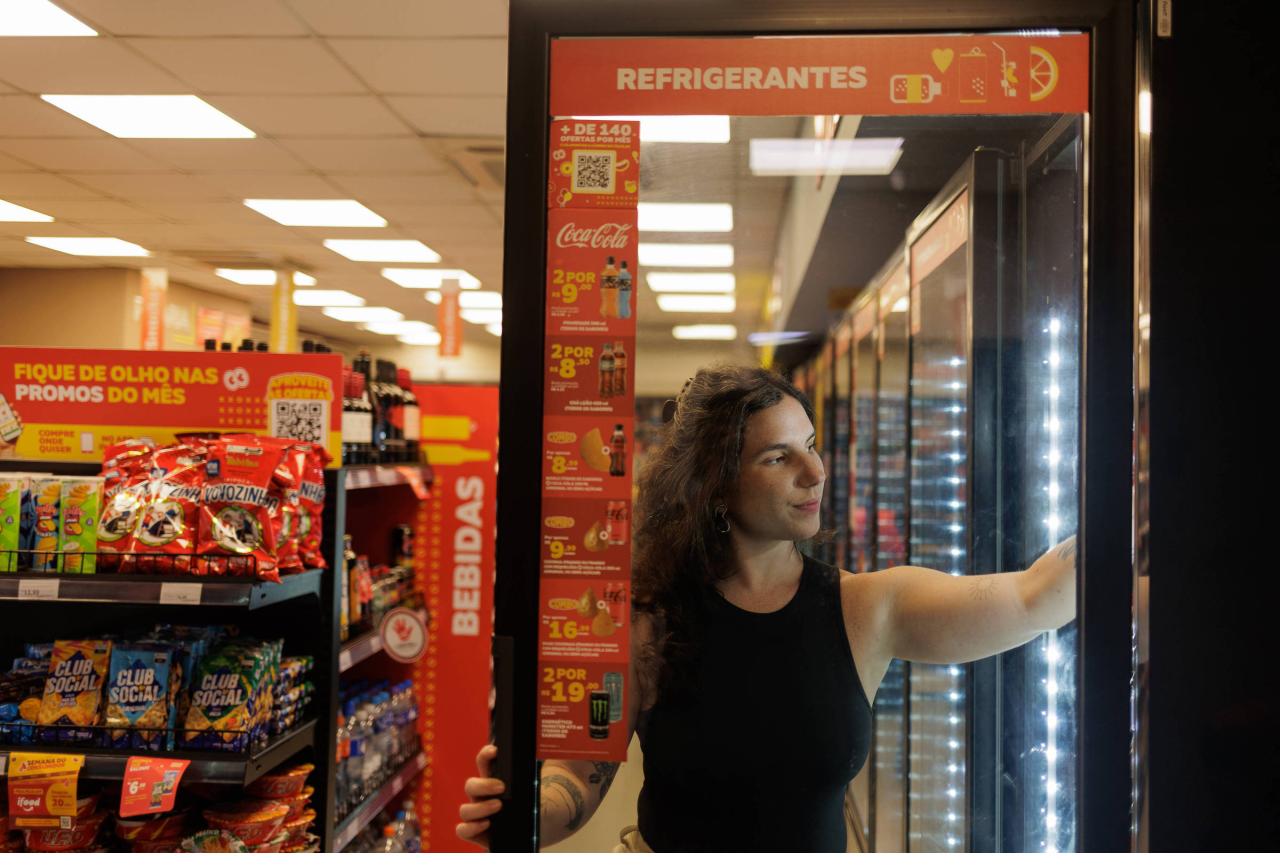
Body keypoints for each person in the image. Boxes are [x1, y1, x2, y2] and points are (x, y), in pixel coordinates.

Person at [459, 365, 1076, 851]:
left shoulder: (867, 608)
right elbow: (577, 778)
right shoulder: (647, 625)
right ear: (717, 487)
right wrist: (519, 810)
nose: (815, 472)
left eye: (810, 445)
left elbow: (1034, 597)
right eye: (778, 457)